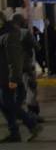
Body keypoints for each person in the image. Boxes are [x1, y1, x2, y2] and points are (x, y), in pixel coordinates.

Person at [0, 13, 41, 142]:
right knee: (4, 104)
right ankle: (14, 132)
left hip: (8, 75)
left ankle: (31, 124)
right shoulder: (4, 33)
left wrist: (14, 78)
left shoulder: (9, 34)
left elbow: (14, 59)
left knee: (9, 103)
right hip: (3, 74)